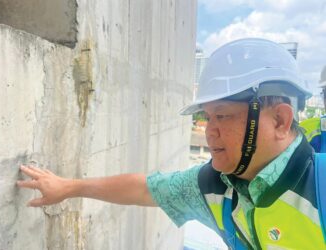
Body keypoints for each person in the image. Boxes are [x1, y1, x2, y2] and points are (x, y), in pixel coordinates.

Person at [17, 38, 325, 249]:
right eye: (208, 117)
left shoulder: (320, 189)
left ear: (280, 121)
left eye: (223, 115)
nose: (209, 130)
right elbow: (145, 188)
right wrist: (68, 187)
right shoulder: (215, 187)